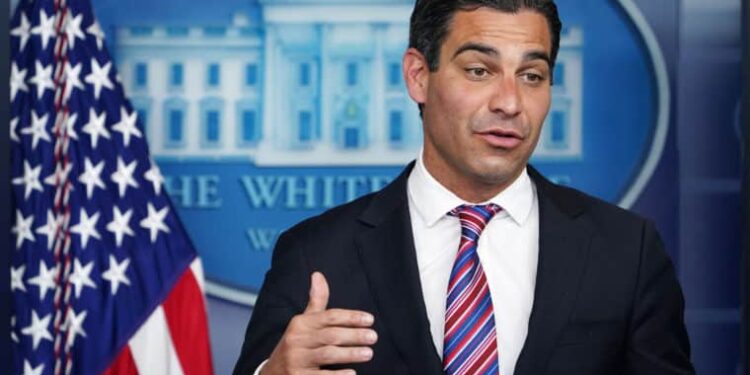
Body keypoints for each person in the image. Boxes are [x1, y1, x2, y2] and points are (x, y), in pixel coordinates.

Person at [234, 0, 695, 374]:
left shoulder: (626, 251)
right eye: (479, 71)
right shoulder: (315, 253)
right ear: (418, 76)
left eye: (532, 76)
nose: (510, 103)